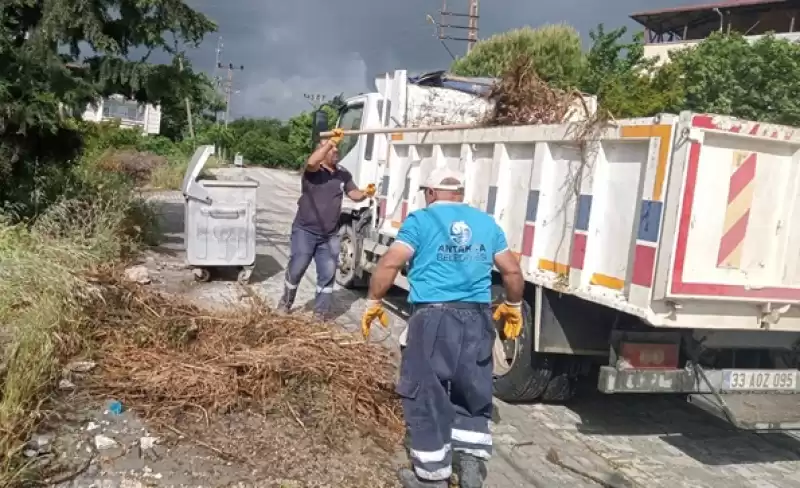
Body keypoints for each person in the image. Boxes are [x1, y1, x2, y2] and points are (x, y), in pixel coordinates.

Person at [360, 168, 525, 488]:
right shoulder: (487, 224)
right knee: (473, 389)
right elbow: (512, 271)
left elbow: (391, 264)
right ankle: (471, 464)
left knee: (426, 392)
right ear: (460, 194)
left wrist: (373, 302)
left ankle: (431, 477)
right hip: (477, 319)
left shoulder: (421, 221)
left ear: (431, 193)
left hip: (434, 319)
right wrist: (514, 306)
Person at [278, 128, 376, 319]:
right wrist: (330, 142)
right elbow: (312, 161)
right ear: (321, 153)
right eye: (332, 150)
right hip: (305, 231)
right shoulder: (312, 172)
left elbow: (353, 194)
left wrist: (365, 193)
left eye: (337, 150)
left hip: (329, 234)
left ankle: (320, 314)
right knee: (297, 267)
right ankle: (286, 303)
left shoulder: (343, 174)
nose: (336, 153)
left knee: (328, 273)